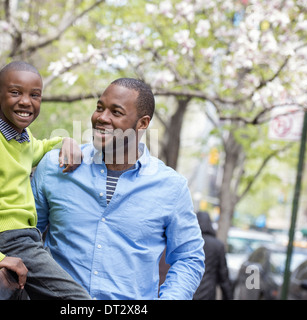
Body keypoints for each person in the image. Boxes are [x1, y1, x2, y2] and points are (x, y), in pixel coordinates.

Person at [32, 78, 205, 300]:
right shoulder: (56, 167)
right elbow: (28, 234)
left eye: (116, 112)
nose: (102, 118)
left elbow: (188, 257)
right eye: (100, 108)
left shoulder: (171, 188)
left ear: (142, 124)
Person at [0, 61, 90, 299]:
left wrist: (66, 141)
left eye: (34, 95)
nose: (26, 101)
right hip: (4, 240)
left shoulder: (22, 139)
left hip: (23, 238)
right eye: (15, 93)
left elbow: (41, 147)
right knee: (77, 299)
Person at [193, 211, 233, 300]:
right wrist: (228, 296)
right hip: (207, 293)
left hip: (188, 292)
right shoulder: (217, 245)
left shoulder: (189, 243)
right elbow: (223, 277)